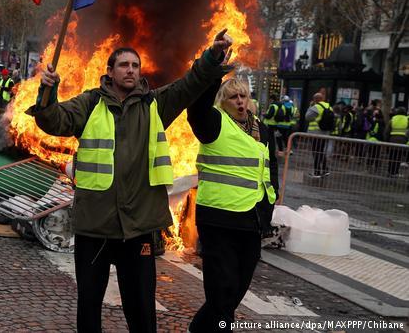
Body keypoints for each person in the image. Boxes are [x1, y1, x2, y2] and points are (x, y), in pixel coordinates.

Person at [30, 30, 233, 332]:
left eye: (135, 66)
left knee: (141, 309)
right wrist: (47, 93)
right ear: (109, 72)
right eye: (124, 65)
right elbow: (54, 120)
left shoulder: (155, 105)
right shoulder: (89, 104)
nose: (130, 70)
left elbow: (189, 84)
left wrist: (212, 56)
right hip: (95, 226)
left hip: (137, 227)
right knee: (89, 305)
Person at [187, 77, 277, 332]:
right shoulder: (213, 122)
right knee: (222, 288)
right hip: (218, 219)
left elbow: (270, 171)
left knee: (237, 288)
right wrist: (212, 72)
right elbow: (196, 109)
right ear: (222, 102)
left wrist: (268, 207)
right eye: (233, 97)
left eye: (244, 96)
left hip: (251, 219)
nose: (240, 101)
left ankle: (199, 328)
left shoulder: (262, 129)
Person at [305, 93, 331, 177]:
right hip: (325, 133)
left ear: (315, 99)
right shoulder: (329, 107)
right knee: (320, 152)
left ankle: (317, 172)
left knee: (316, 152)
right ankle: (325, 169)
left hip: (315, 133)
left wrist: (310, 106)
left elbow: (307, 117)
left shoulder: (316, 107)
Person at [386, 107, 408, 176]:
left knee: (391, 156)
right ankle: (395, 172)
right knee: (398, 157)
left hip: (392, 140)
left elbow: (387, 131)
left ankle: (389, 171)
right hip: (402, 140)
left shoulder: (393, 119)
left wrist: (386, 140)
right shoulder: (407, 119)